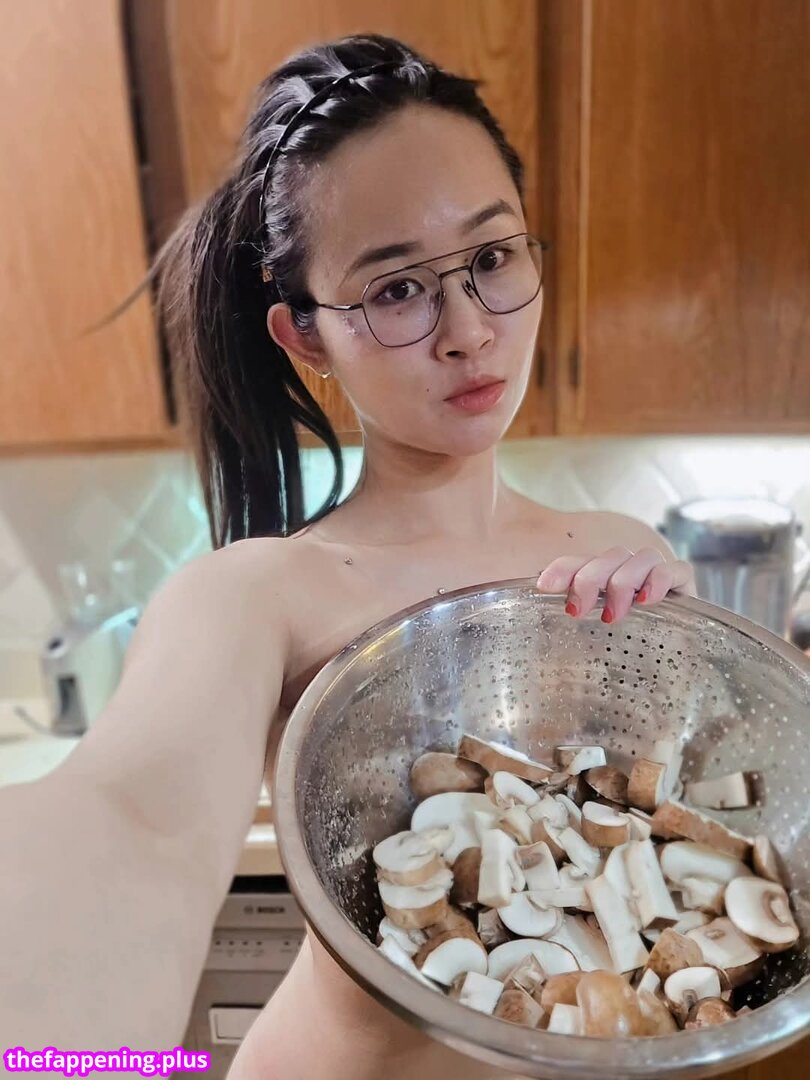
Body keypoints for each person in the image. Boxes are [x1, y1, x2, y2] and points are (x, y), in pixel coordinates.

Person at [0, 33, 694, 1079]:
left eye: (491, 258)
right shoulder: (258, 595)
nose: (468, 330)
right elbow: (132, 824)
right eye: (397, 289)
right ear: (307, 336)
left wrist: (693, 661)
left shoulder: (624, 554)